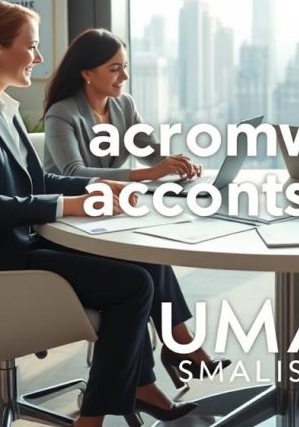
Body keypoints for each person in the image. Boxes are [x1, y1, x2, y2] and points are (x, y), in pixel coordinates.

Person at [0, 0, 195, 427]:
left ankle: (142, 384)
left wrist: (98, 185)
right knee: (133, 285)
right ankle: (94, 418)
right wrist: (70, 204)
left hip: (11, 243)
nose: (39, 57)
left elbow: (36, 181)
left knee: (140, 259)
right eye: (31, 46)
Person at [42, 28, 229, 386]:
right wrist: (148, 173)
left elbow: (149, 149)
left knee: (149, 253)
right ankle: (181, 349)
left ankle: (178, 348)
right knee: (142, 263)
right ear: (87, 73)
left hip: (107, 215)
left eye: (124, 67)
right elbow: (72, 173)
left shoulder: (123, 105)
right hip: (70, 225)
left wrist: (174, 163)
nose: (124, 77)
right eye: (114, 69)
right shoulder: (62, 114)